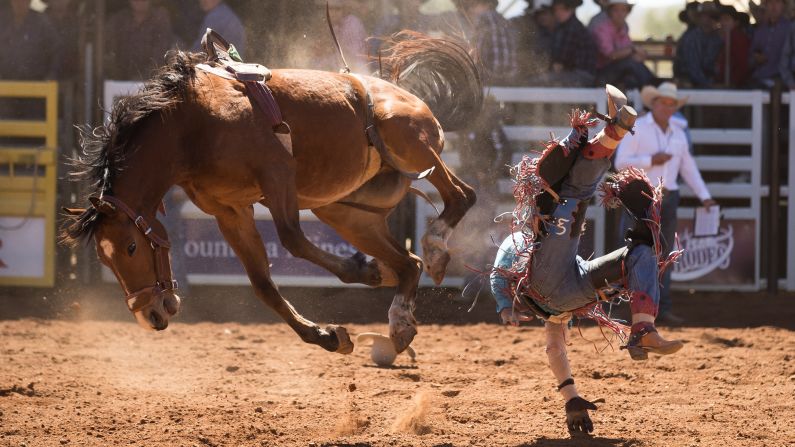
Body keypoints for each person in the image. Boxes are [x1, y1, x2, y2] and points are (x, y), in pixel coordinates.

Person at [490, 85, 684, 434]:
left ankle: (643, 328)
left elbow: (553, 347)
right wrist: (506, 303)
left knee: (639, 253)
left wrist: (571, 398)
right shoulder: (521, 240)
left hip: (563, 288)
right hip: (547, 279)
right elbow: (498, 274)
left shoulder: (523, 249)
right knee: (572, 194)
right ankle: (614, 133)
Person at [615, 82, 717, 325]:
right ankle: (629, 309)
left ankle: (657, 308)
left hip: (665, 199)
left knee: (662, 256)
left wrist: (704, 196)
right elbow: (621, 163)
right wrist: (652, 160)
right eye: (664, 103)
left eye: (672, 104)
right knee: (632, 254)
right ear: (655, 103)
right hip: (640, 199)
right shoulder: (639, 127)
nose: (668, 107)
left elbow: (688, 168)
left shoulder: (678, 133)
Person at [591, 0, 655, 90]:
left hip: (617, 73)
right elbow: (611, 55)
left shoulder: (623, 28)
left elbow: (626, 50)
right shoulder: (601, 28)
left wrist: (636, 54)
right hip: (600, 74)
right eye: (616, 10)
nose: (620, 14)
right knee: (630, 64)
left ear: (627, 12)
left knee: (631, 80)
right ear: (610, 12)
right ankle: (654, 86)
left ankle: (650, 93)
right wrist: (633, 50)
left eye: (623, 10)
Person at [530, 0, 596, 86]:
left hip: (580, 75)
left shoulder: (572, 28)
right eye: (555, 10)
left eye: (562, 9)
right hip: (578, 75)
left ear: (571, 9)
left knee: (535, 82)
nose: (558, 13)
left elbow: (561, 62)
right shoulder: (567, 27)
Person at [105, 0, 176, 80]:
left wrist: (141, 79)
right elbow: (109, 53)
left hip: (152, 83)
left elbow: (160, 56)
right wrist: (118, 79)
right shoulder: (119, 20)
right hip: (119, 84)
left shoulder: (160, 18)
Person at [0, 0, 60, 81]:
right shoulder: (3, 22)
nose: (19, 4)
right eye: (16, 1)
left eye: (23, 1)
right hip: (6, 85)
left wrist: (51, 77)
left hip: (36, 86)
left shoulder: (43, 24)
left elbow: (56, 52)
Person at [674, 2, 723, 88]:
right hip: (691, 81)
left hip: (709, 80)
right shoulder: (692, 38)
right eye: (705, 16)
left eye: (713, 16)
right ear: (699, 18)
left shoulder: (718, 38)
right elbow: (693, 67)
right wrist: (709, 85)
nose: (710, 19)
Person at [749, 0, 791, 88]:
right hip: (759, 78)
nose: (773, 6)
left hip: (782, 80)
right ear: (766, 5)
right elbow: (750, 57)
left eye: (777, 2)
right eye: (770, 2)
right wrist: (756, 57)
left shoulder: (790, 29)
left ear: (783, 6)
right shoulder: (760, 30)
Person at [716, 4, 752, 88]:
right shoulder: (722, 38)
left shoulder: (738, 38)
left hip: (736, 86)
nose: (723, 23)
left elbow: (742, 64)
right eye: (721, 20)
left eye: (726, 19)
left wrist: (733, 83)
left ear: (736, 22)